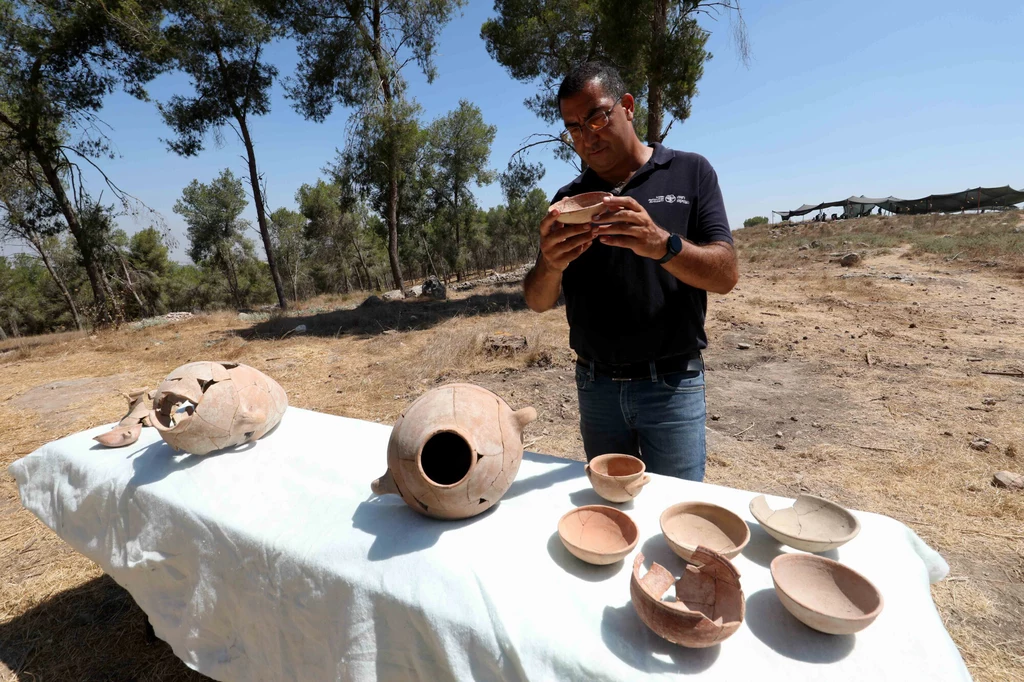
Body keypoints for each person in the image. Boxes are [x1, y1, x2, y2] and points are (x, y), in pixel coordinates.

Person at [523, 62, 738, 482]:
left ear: (627, 107)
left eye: (596, 116)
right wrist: (549, 263)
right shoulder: (568, 201)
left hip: (673, 385)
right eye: (574, 127)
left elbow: (726, 274)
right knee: (610, 512)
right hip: (596, 388)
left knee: (673, 512)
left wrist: (663, 244)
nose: (587, 136)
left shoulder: (691, 172)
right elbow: (537, 301)